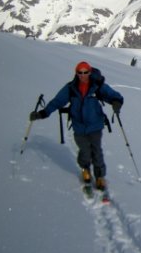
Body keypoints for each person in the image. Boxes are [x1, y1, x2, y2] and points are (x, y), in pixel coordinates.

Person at [30, 61, 123, 190]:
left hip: (95, 125)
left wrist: (117, 102)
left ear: (90, 72)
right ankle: (85, 169)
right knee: (84, 151)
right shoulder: (71, 88)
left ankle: (100, 177)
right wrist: (43, 113)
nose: (82, 75)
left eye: (85, 72)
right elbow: (58, 102)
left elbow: (113, 96)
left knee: (97, 151)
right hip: (79, 126)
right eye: (80, 72)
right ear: (76, 73)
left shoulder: (97, 86)